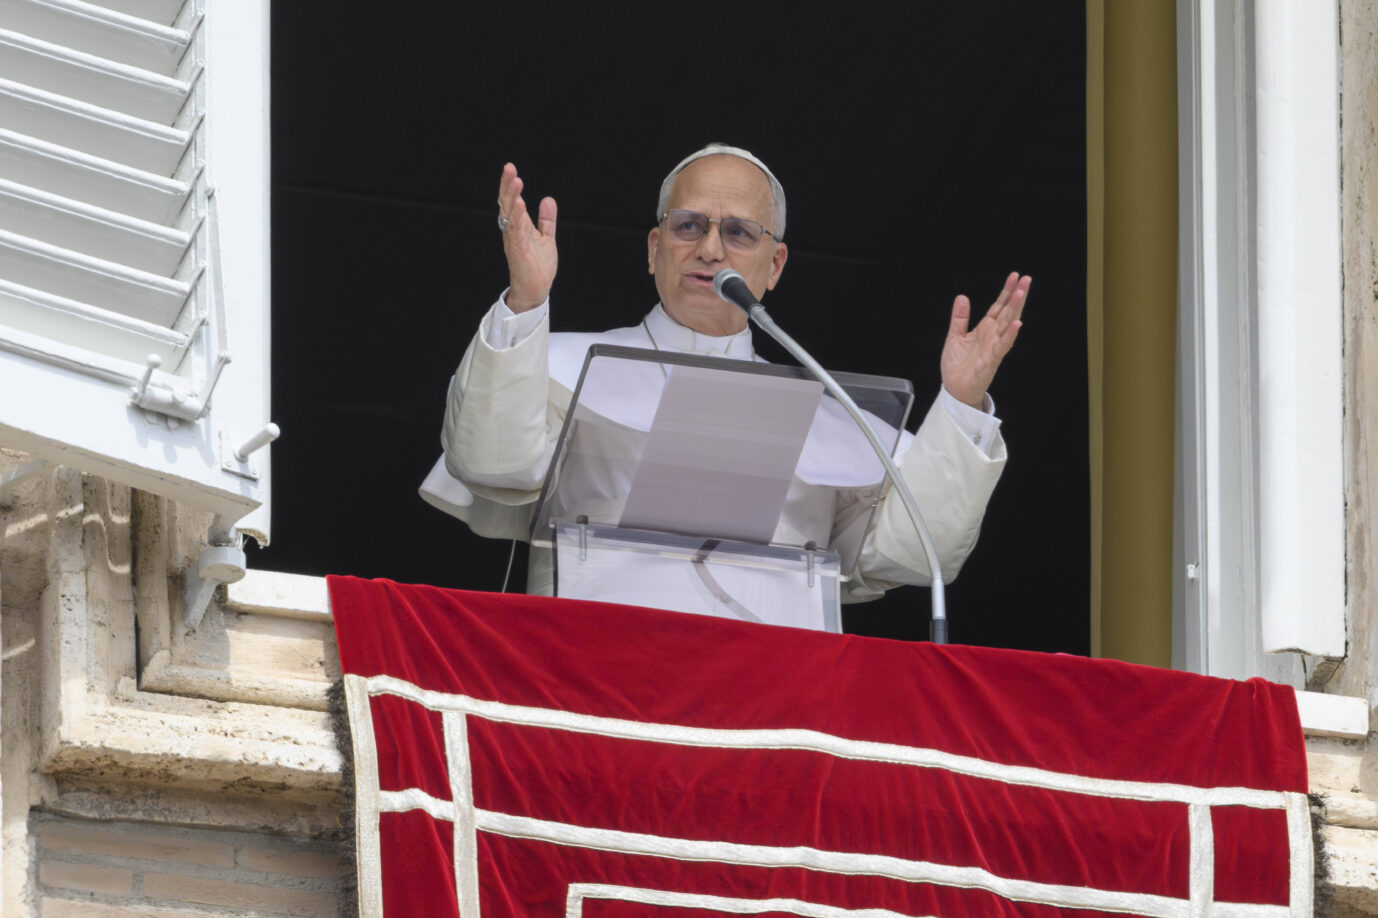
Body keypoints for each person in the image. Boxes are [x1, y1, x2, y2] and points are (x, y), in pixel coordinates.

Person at [420, 143, 1030, 602]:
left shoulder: (837, 419)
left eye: (738, 232)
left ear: (775, 265)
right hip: (589, 678)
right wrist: (525, 303)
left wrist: (961, 401)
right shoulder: (556, 364)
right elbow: (491, 464)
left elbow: (912, 555)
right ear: (654, 249)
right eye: (690, 227)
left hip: (772, 705)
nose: (710, 249)